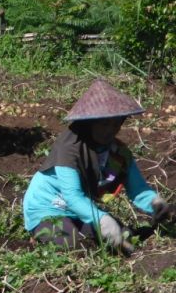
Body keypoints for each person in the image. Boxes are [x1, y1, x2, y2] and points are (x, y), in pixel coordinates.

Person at [23, 79, 173, 252]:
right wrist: (102, 219)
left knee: (123, 236)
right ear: (90, 123)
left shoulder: (118, 153)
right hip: (48, 209)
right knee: (73, 245)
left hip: (79, 211)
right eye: (104, 124)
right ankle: (39, 235)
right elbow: (72, 196)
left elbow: (138, 189)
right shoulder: (70, 147)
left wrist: (156, 203)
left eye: (116, 124)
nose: (110, 130)